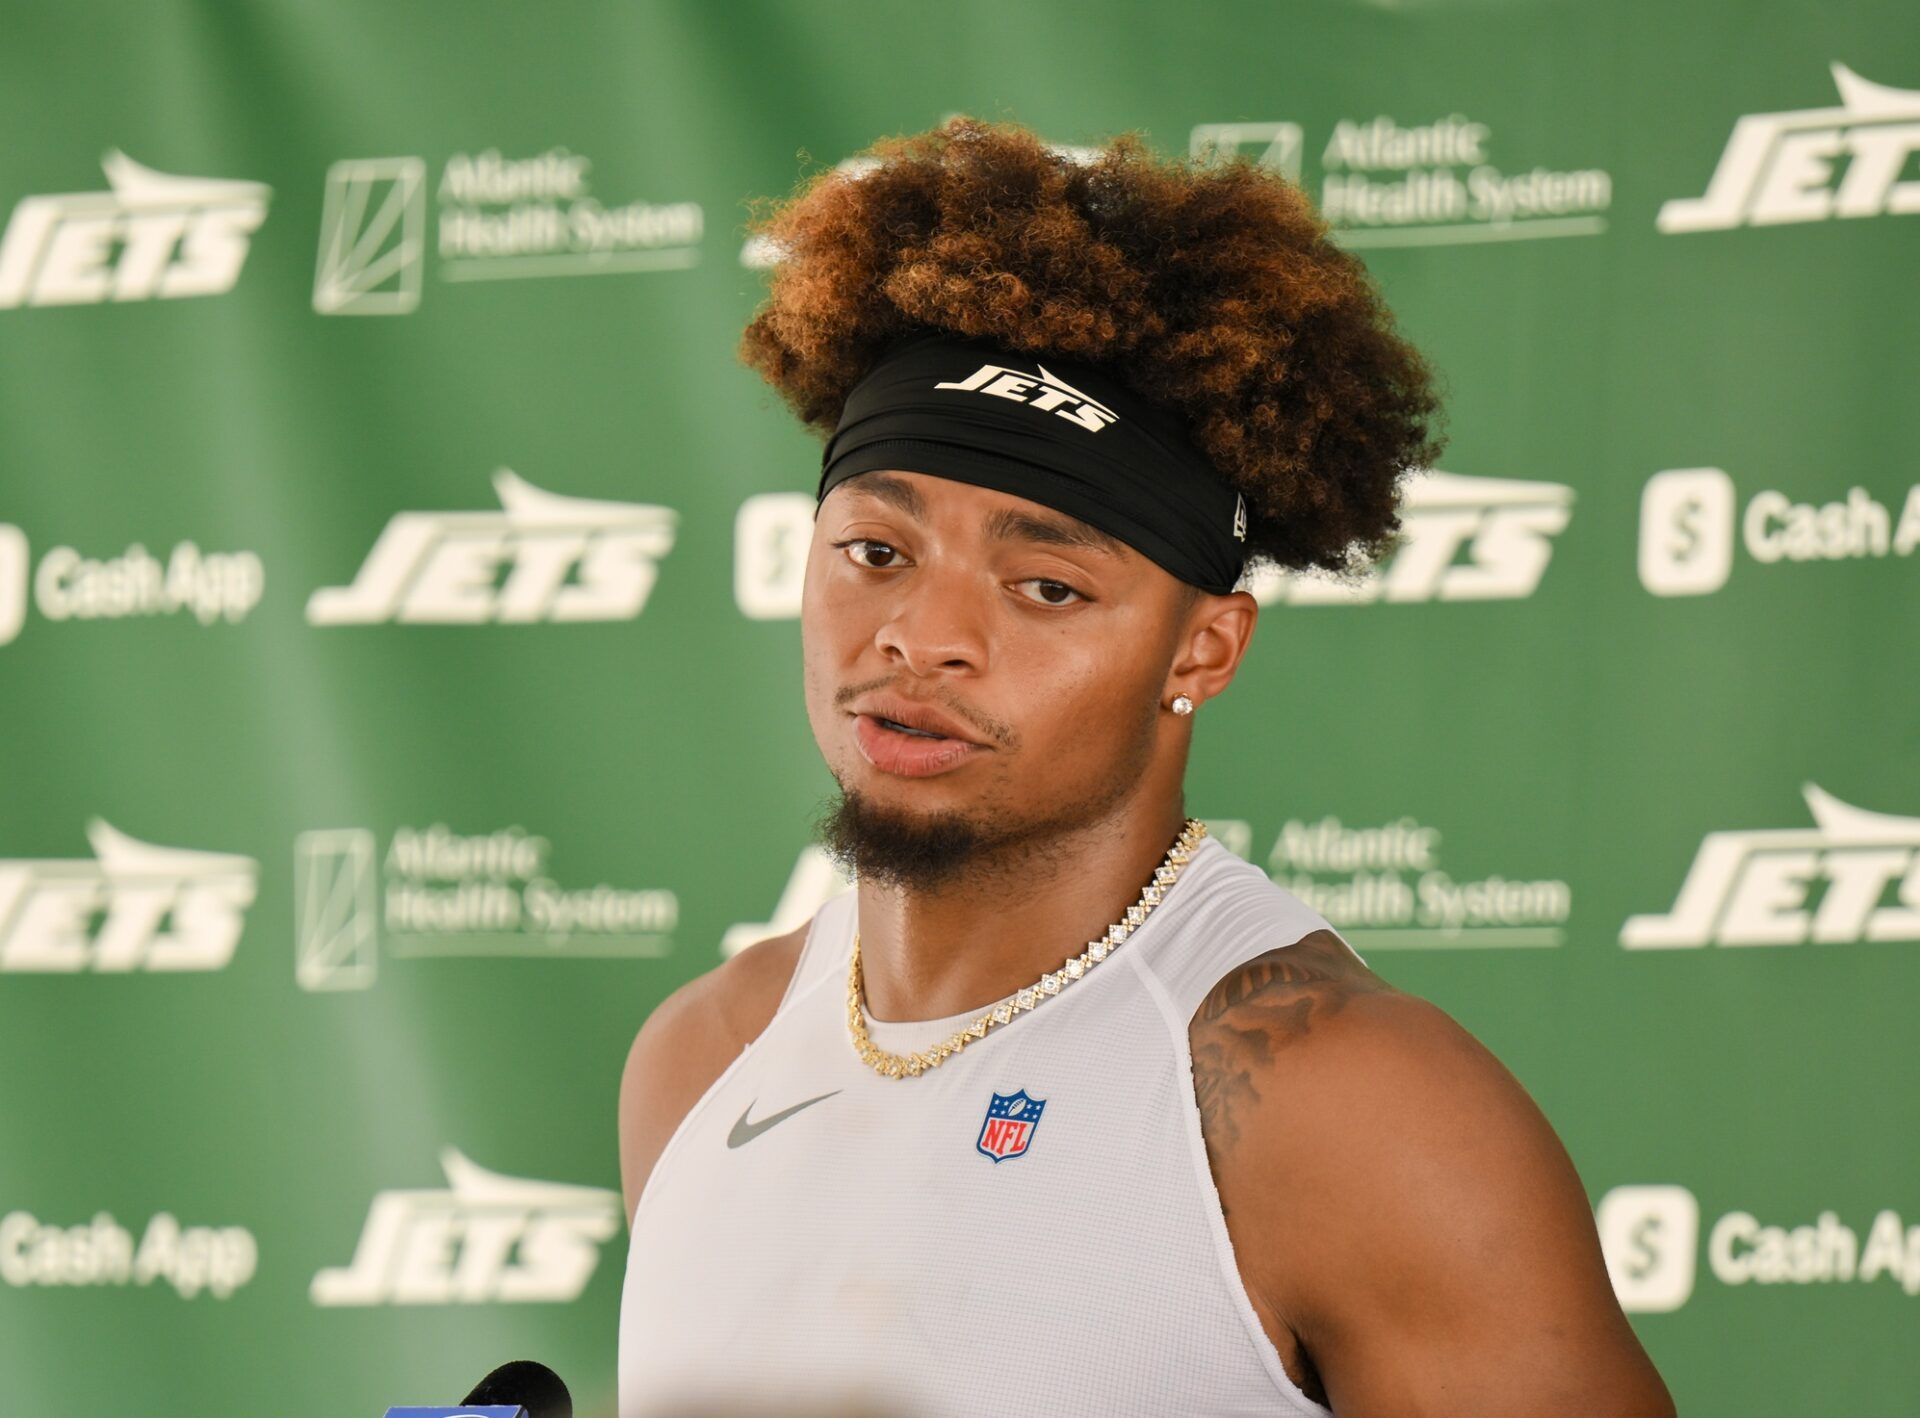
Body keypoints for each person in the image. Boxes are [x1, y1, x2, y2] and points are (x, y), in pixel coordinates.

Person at [616, 115, 1675, 1418]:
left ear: (1205, 647)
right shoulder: (698, 1057)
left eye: (1046, 584)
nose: (923, 637)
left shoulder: (1350, 1108)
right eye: (876, 552)